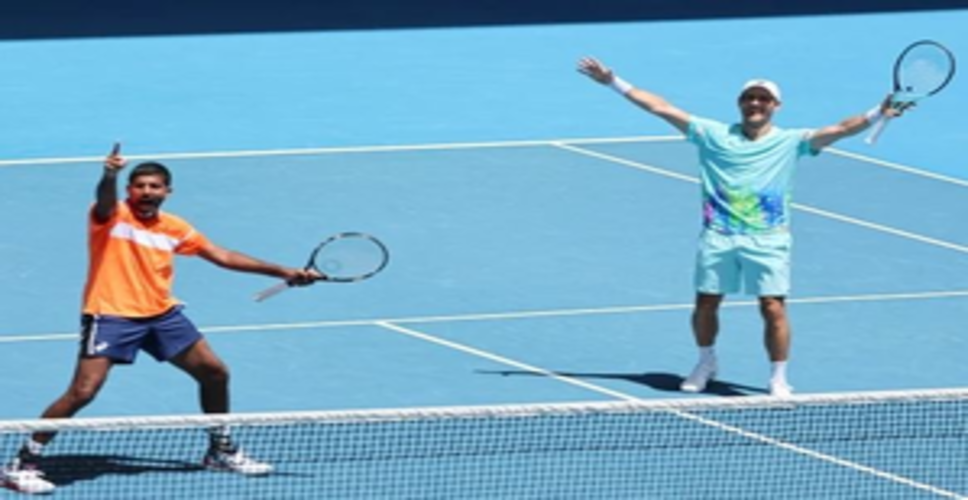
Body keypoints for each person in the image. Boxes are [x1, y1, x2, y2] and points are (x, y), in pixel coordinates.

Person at [1, 147, 320, 494]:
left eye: (154, 186)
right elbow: (104, 199)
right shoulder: (111, 217)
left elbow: (222, 255)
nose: (146, 191)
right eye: (139, 186)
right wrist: (109, 175)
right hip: (112, 314)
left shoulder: (175, 227)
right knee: (83, 391)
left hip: (161, 315)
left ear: (167, 191)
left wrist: (283, 271)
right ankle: (21, 463)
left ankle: (220, 449)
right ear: (129, 190)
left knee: (214, 373)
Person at [577, 57, 902, 398]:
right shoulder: (712, 135)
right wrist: (613, 82)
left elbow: (841, 128)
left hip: (768, 239)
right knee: (706, 303)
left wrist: (876, 113)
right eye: (750, 98)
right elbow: (660, 107)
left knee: (772, 307)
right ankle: (706, 362)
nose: (755, 103)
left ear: (776, 106)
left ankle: (778, 376)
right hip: (718, 236)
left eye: (763, 99)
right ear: (740, 103)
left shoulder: (793, 141)